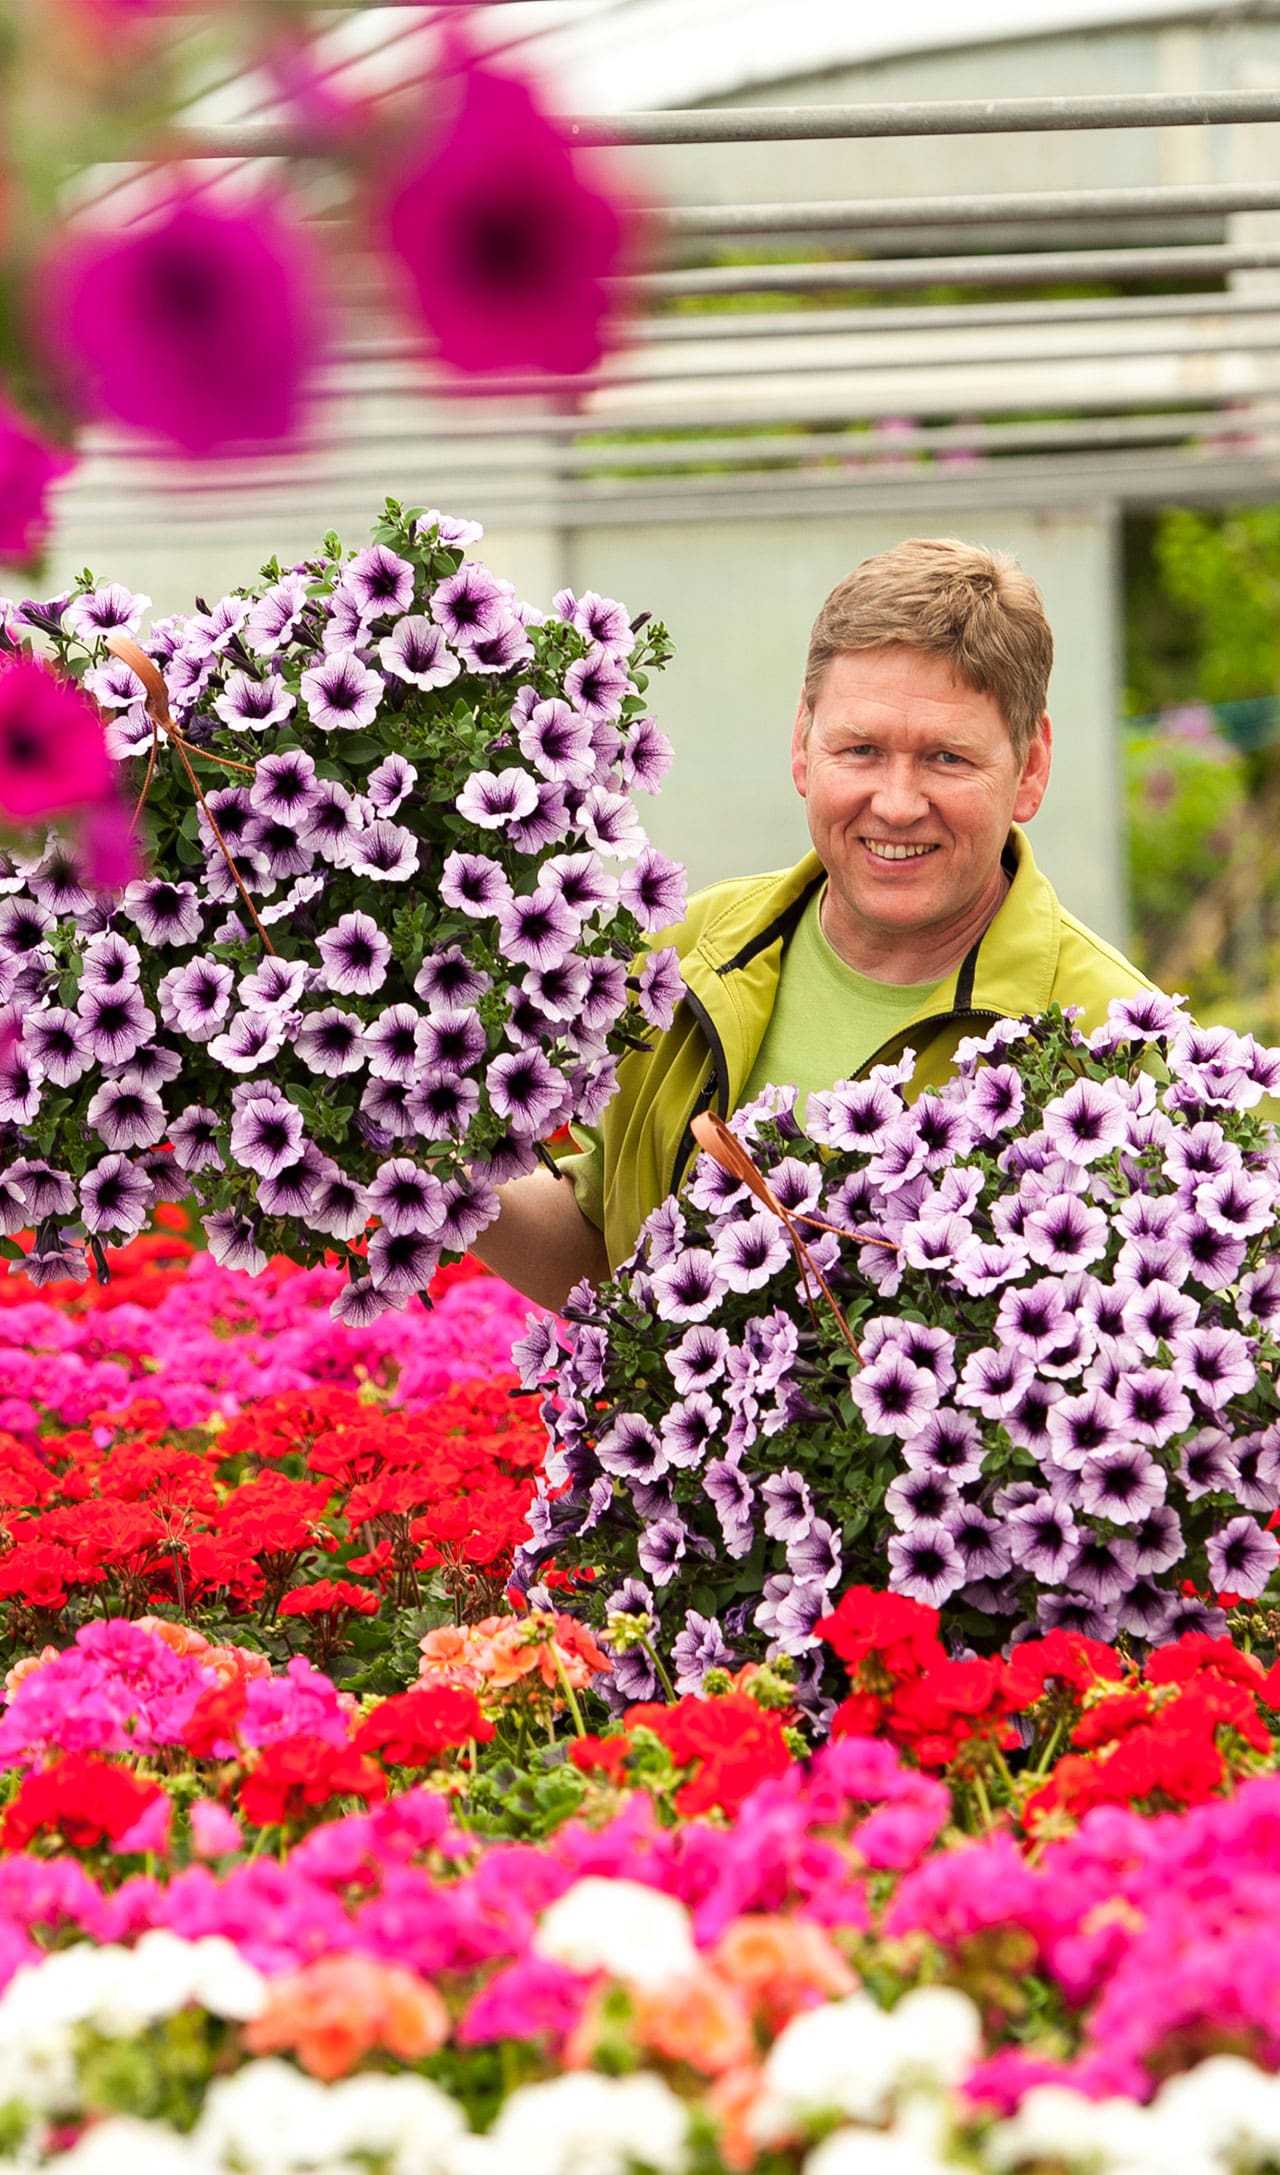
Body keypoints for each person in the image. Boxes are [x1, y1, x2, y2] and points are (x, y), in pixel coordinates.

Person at [473, 537, 1153, 1311]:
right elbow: (603, 1249)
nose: (897, 803)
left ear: (1030, 768)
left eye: (948, 758)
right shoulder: (688, 953)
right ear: (802, 745)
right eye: (860, 748)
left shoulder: (1114, 1043)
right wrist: (429, 1171)